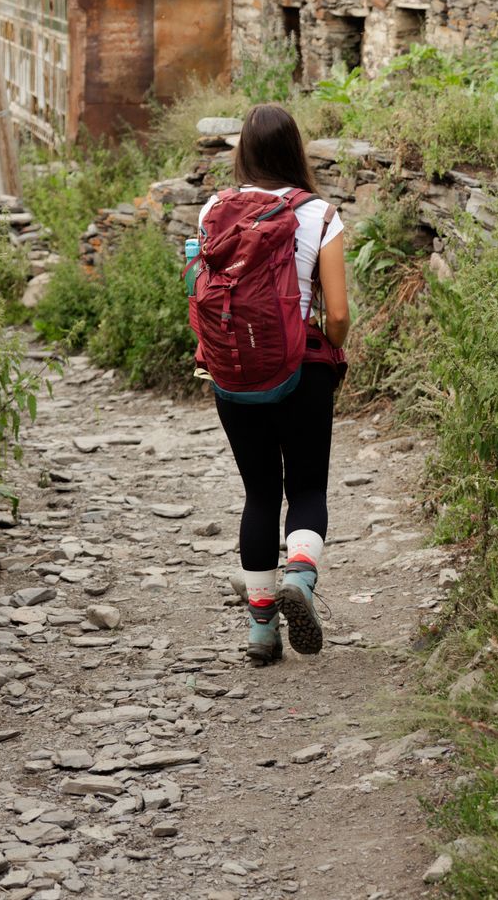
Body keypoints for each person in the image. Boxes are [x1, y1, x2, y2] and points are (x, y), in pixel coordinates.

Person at [197, 103, 350, 665]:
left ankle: (262, 632)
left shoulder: (214, 209)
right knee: (306, 487)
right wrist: (331, 342)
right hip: (302, 368)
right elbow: (337, 313)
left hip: (231, 371)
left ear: (244, 152)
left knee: (259, 492)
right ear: (294, 151)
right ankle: (301, 581)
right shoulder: (320, 215)